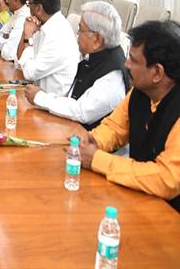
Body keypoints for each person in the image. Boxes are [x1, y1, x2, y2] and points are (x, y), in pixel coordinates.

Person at [74, 20, 180, 211]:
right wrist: (92, 142)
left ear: (157, 72)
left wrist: (97, 159)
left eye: (133, 60)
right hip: (140, 198)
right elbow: (115, 128)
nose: (126, 64)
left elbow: (166, 179)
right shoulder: (140, 92)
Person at [25, 1, 130, 129]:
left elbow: (81, 111)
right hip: (71, 128)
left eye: (80, 30)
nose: (77, 35)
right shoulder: (95, 56)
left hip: (88, 138)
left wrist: (40, 98)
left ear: (97, 39)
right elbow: (71, 97)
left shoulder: (113, 75)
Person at [16, 0, 79, 95]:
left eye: (29, 4)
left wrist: (28, 37)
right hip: (38, 95)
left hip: (52, 101)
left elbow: (30, 73)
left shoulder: (59, 34)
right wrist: (25, 32)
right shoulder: (44, 24)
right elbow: (20, 58)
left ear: (38, 8)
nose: (28, 8)